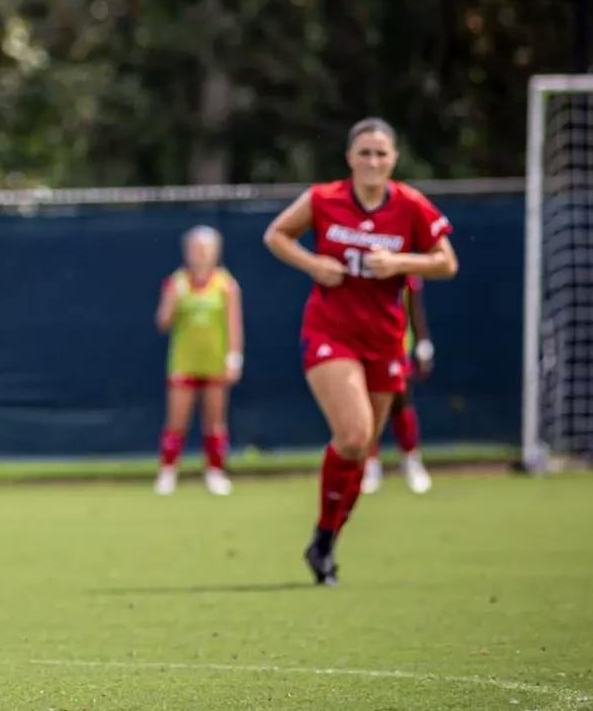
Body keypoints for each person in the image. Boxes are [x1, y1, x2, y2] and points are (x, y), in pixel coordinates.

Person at [264, 117, 457, 585]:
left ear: (394, 159)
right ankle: (324, 537)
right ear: (350, 157)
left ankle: (325, 541)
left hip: (385, 338)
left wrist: (400, 261)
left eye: (381, 153)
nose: (373, 161)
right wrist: (314, 264)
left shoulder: (410, 204)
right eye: (364, 152)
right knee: (353, 435)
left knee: (362, 447)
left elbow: (446, 263)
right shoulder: (324, 198)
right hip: (331, 331)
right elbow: (277, 235)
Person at [153, 226, 244, 496]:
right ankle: (168, 472)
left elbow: (234, 325)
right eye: (195, 248)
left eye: (206, 249)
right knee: (176, 421)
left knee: (215, 421)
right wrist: (173, 301)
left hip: (215, 362)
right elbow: (163, 323)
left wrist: (234, 358)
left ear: (216, 252)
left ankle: (215, 473)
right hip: (184, 362)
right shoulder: (176, 282)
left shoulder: (226, 284)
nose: (200, 254)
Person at [363, 276, 435, 495]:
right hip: (361, 344)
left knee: (401, 401)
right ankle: (370, 464)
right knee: (365, 405)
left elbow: (414, 307)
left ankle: (411, 460)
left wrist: (423, 344)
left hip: (396, 345)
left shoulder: (405, 269)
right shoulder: (357, 267)